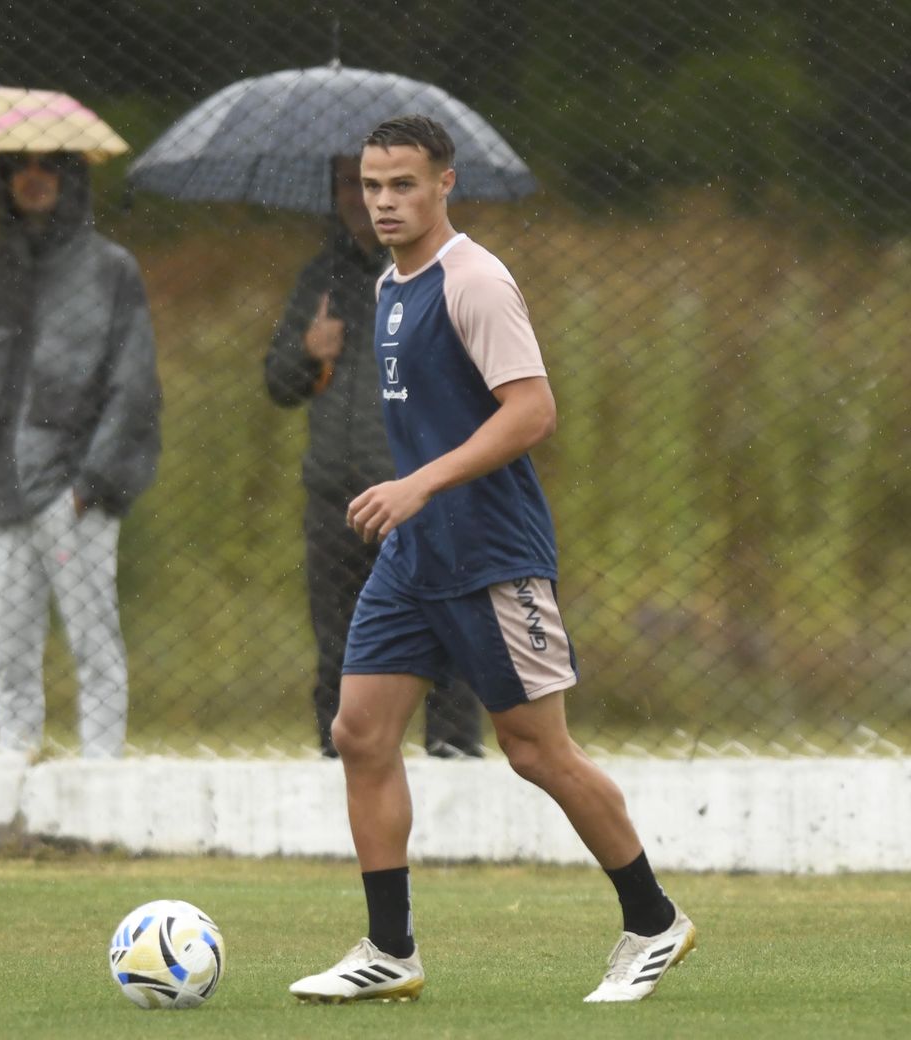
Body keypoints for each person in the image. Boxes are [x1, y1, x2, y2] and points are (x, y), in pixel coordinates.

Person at [287, 116, 695, 1005]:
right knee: (359, 734)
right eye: (371, 186)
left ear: (446, 184)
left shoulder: (474, 281)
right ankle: (390, 950)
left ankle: (654, 921)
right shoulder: (389, 285)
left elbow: (532, 411)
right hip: (416, 555)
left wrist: (420, 484)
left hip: (490, 555)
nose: (384, 201)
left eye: (403, 184)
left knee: (536, 750)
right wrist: (414, 502)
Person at [0, 151, 160, 760]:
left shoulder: (110, 269)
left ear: (70, 175)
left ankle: (101, 773)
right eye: (18, 167)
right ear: (4, 181)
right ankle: (14, 772)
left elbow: (133, 387)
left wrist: (91, 483)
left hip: (73, 491)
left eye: (48, 165)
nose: (33, 177)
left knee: (94, 646)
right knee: (9, 654)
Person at [266, 156, 483, 760]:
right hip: (337, 494)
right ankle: (342, 763)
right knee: (340, 646)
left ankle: (453, 757)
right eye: (354, 185)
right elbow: (279, 383)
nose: (367, 200)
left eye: (392, 185)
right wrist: (309, 352)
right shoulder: (321, 278)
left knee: (446, 631)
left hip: (420, 492)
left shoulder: (446, 275)